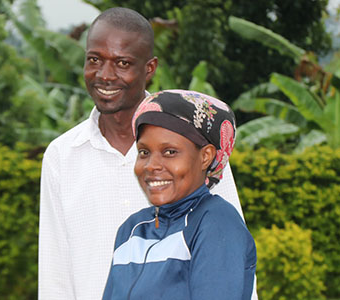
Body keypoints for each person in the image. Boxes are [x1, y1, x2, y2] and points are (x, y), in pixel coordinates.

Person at [38, 7, 257, 300]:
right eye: (94, 60)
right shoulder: (62, 156)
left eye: (122, 63)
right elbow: (55, 275)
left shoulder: (198, 148)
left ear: (149, 69)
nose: (104, 75)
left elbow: (233, 261)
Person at [103, 90, 256, 299]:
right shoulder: (131, 230)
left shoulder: (216, 222)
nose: (151, 166)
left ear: (205, 157)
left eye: (170, 152)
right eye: (144, 152)